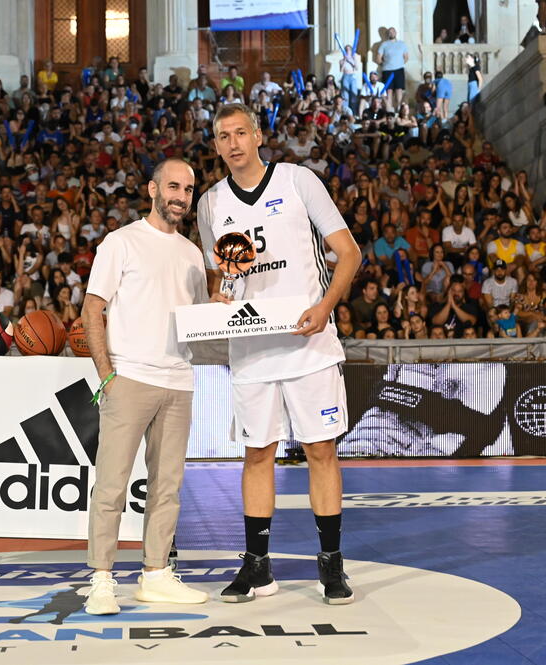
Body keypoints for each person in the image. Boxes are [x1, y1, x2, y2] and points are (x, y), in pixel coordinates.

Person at [199, 104, 360, 604]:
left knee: (321, 451)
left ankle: (331, 564)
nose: (232, 143)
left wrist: (325, 307)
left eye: (240, 132)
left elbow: (349, 253)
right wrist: (218, 293)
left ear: (257, 135)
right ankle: (257, 565)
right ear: (216, 145)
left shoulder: (297, 180)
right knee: (256, 455)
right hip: (251, 349)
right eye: (223, 136)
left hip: (308, 343)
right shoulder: (210, 203)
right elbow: (217, 279)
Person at [82, 158, 209, 615]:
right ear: (152, 189)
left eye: (188, 189)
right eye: (173, 187)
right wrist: (107, 376)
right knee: (111, 486)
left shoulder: (193, 254)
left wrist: (222, 306)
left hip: (178, 381)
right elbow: (91, 309)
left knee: (167, 488)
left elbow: (197, 321)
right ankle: (101, 580)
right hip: (130, 379)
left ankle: (155, 575)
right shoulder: (121, 242)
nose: (181, 196)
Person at [375, 27, 409, 110]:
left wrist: (398, 64)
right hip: (387, 70)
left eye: (393, 31)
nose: (391, 33)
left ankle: (399, 109)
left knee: (399, 90)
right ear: (388, 34)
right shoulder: (384, 44)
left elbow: (406, 57)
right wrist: (385, 64)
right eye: (390, 32)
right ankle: (389, 109)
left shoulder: (402, 44)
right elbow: (378, 58)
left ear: (396, 32)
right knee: (388, 90)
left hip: (399, 69)